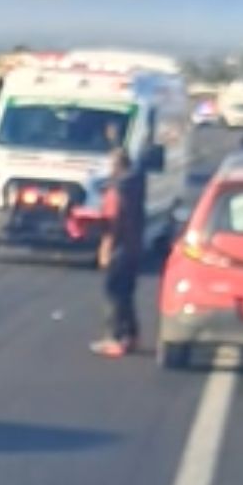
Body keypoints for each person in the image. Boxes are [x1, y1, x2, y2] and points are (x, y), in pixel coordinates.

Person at [91, 148, 146, 358]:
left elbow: (113, 223)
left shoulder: (117, 191)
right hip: (134, 247)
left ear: (117, 166)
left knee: (114, 293)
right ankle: (131, 335)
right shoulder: (135, 186)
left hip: (119, 249)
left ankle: (115, 337)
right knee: (127, 294)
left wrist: (105, 249)